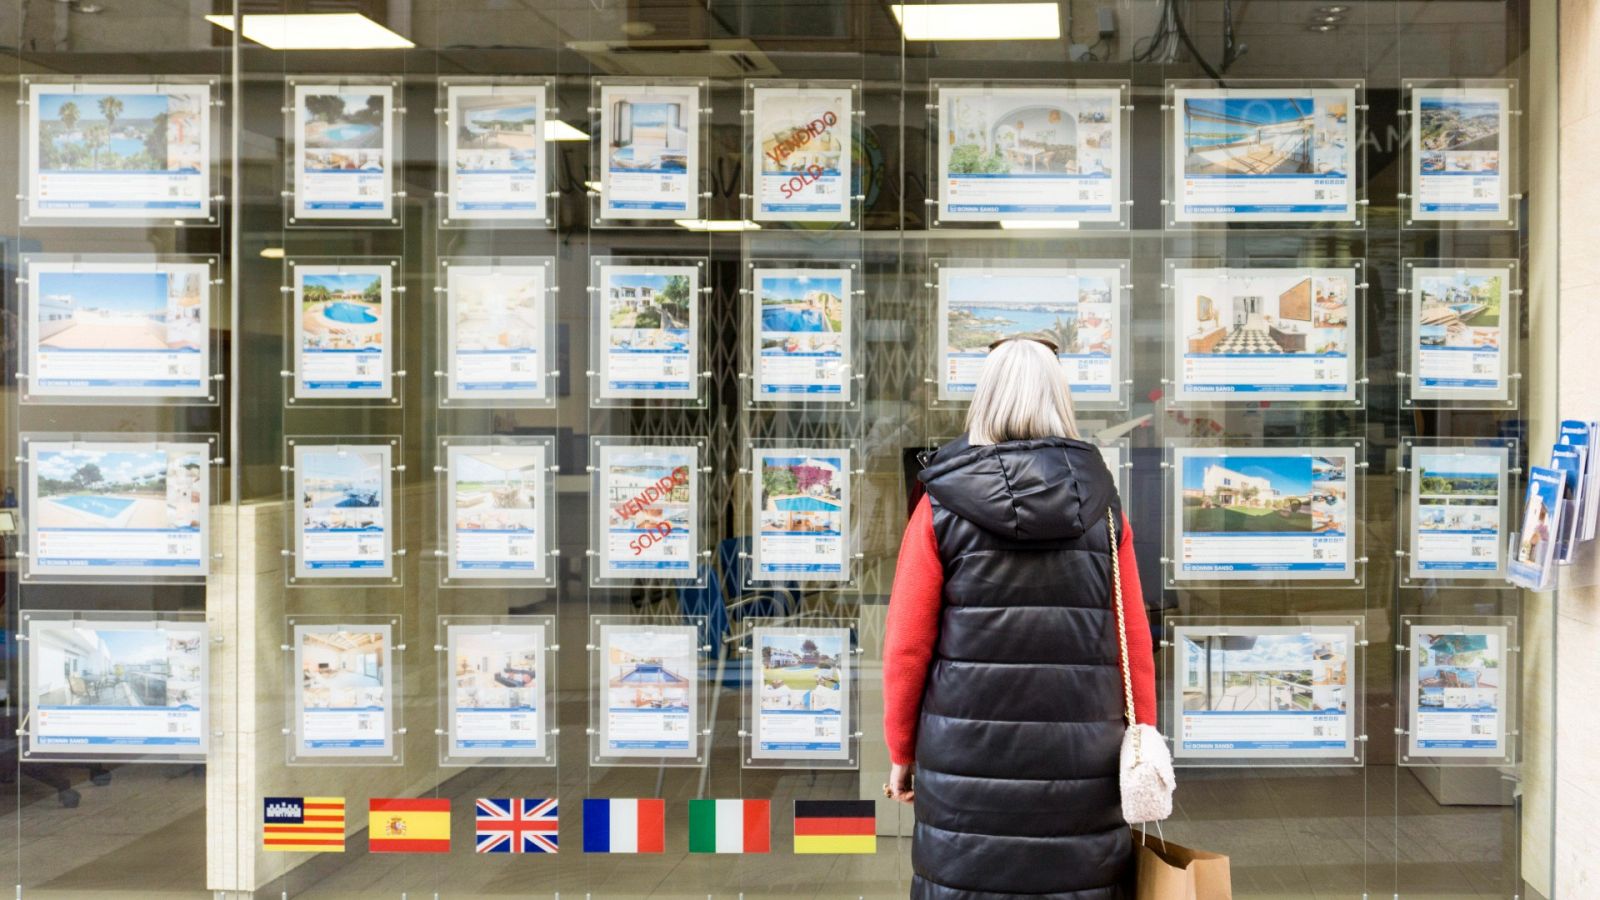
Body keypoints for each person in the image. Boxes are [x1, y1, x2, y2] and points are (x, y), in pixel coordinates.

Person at [882, 335, 1158, 899]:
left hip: (966, 766)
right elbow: (1134, 641)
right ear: (1061, 399)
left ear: (983, 398)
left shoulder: (938, 505)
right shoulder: (1103, 505)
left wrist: (901, 753)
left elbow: (906, 648)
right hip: (1085, 760)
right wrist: (1143, 739)